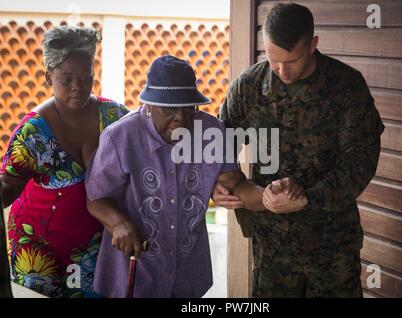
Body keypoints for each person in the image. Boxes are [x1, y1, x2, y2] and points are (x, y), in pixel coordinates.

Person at [215, 2, 385, 297]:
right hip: (272, 248)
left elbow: (360, 163)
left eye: (291, 61)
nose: (282, 71)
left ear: (313, 44)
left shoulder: (346, 86)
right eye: (273, 60)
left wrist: (308, 199)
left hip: (332, 246)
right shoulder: (248, 86)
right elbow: (219, 146)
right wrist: (220, 185)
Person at [85, 55, 274, 298]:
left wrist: (269, 196)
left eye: (188, 108)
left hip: (188, 273)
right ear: (148, 106)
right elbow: (96, 197)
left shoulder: (211, 132)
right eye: (169, 109)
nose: (181, 118)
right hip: (135, 275)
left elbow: (234, 183)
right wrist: (118, 223)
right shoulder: (120, 137)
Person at [0, 26, 129, 297]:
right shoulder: (33, 131)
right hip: (37, 253)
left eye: (85, 77)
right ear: (49, 76)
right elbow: (7, 189)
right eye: (66, 79)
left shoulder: (115, 117)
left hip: (94, 249)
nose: (77, 87)